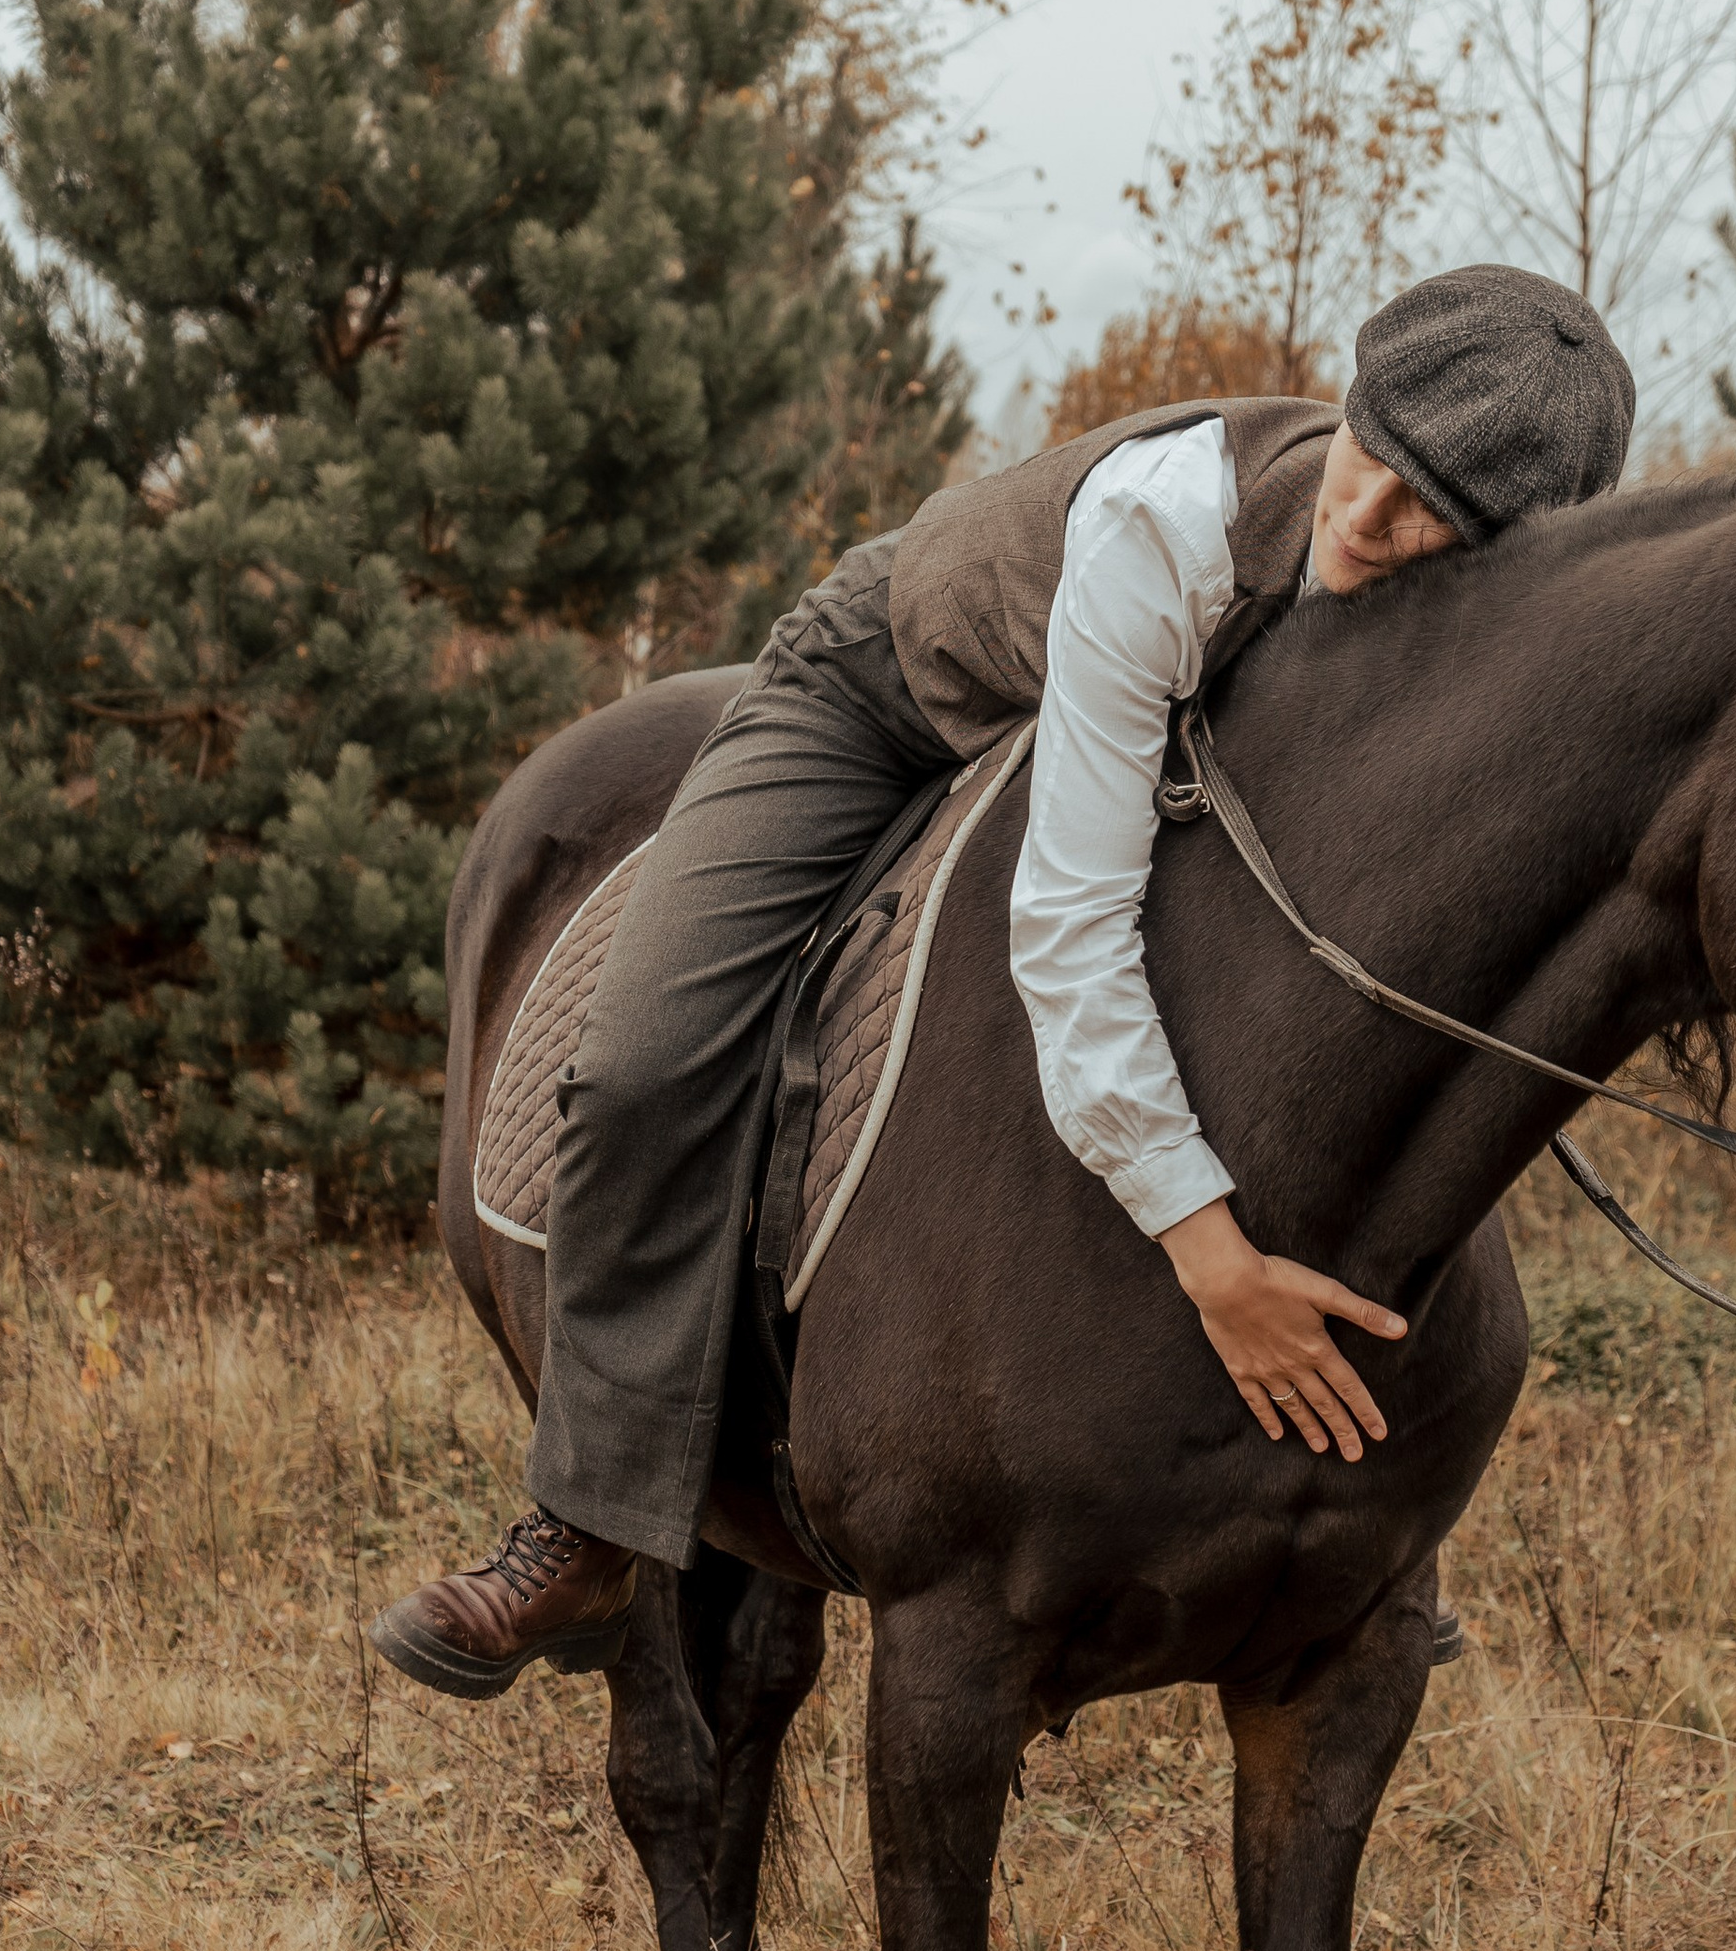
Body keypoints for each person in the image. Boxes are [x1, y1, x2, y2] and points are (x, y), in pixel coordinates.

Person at [373, 266, 1636, 1696]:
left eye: (1430, 519)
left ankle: (1372, 1533)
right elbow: (1074, 922)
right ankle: (590, 1522)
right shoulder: (1169, 525)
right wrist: (1211, 1257)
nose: (1362, 521)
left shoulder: (1470, 646)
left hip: (1161, 758)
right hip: (890, 694)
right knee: (643, 1063)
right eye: (1371, 458)